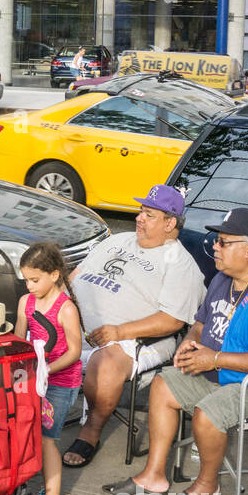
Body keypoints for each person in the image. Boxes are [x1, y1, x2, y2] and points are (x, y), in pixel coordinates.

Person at [102, 208, 248, 495]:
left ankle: (206, 487)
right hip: (226, 372)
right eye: (216, 240)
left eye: (224, 242)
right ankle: (153, 479)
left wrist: (213, 359)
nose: (215, 246)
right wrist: (189, 345)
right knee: (163, 385)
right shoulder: (222, 280)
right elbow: (200, 325)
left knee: (208, 413)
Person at [64, 184, 205, 466]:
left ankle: (91, 429)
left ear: (170, 223)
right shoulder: (117, 241)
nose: (139, 218)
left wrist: (119, 331)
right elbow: (75, 276)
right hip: (76, 325)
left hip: (136, 339)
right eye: (141, 211)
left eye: (149, 215)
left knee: (106, 362)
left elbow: (172, 320)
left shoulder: (179, 263)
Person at [15, 241, 83, 495]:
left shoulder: (65, 308)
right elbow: (19, 339)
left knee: (47, 439)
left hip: (61, 382)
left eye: (34, 280)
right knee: (30, 432)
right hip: (33, 378)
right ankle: (47, 488)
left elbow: (75, 351)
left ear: (54, 275)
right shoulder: (25, 302)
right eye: (26, 280)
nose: (29, 286)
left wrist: (47, 369)